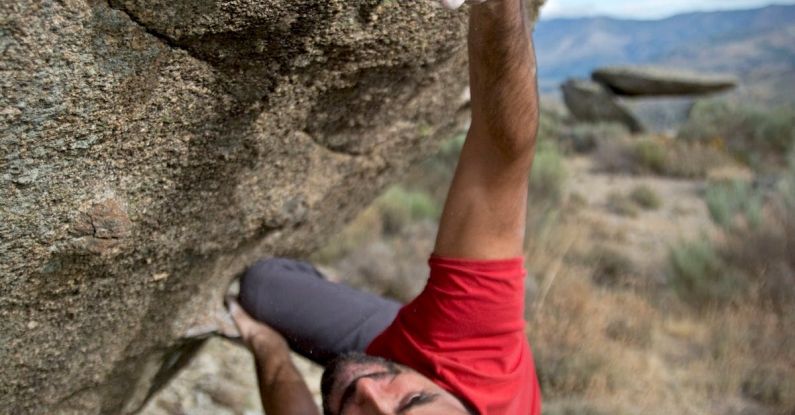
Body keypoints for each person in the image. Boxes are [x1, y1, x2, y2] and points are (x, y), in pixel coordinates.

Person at [227, 0, 541, 413]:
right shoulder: (475, 356)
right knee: (263, 288)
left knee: (262, 304)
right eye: (413, 401)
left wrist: (266, 345)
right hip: (421, 350)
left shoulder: (379, 389)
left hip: (403, 355)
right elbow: (498, 160)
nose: (369, 393)